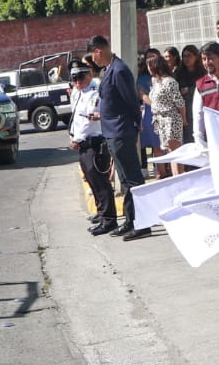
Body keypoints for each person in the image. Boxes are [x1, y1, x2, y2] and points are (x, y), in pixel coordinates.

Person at [87, 35, 149, 240]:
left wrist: (135, 123)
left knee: (133, 180)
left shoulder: (119, 69)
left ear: (98, 51)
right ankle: (131, 220)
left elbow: (130, 100)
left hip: (121, 131)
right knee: (125, 179)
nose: (93, 60)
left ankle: (143, 223)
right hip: (113, 131)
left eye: (93, 56)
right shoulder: (110, 69)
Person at [69, 64, 118, 236]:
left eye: (81, 77)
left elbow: (88, 121)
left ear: (89, 75)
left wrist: (76, 139)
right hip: (83, 143)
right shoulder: (78, 94)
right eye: (74, 79)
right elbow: (76, 118)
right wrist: (73, 136)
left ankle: (109, 220)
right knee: (91, 180)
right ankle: (101, 213)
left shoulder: (93, 93)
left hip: (94, 142)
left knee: (100, 182)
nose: (78, 82)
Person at [145, 51, 185, 180]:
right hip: (160, 119)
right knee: (169, 150)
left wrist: (183, 119)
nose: (148, 69)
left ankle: (179, 177)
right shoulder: (155, 82)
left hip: (171, 118)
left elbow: (180, 103)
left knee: (175, 150)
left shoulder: (169, 81)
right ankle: (175, 177)